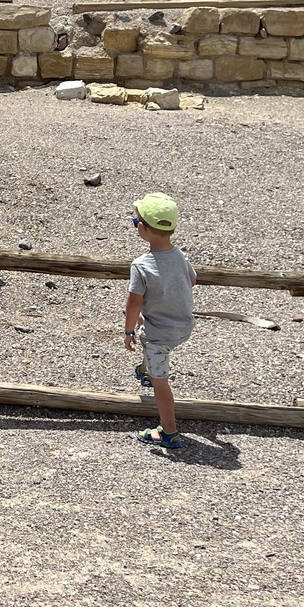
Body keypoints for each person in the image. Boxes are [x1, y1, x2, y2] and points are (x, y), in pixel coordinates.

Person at [123, 192, 196, 451]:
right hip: (184, 326)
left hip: (160, 333)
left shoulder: (141, 265)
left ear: (142, 229)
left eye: (135, 223)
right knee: (153, 343)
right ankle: (146, 370)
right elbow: (191, 281)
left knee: (161, 380)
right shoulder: (181, 257)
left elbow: (133, 302)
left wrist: (128, 330)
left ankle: (168, 431)